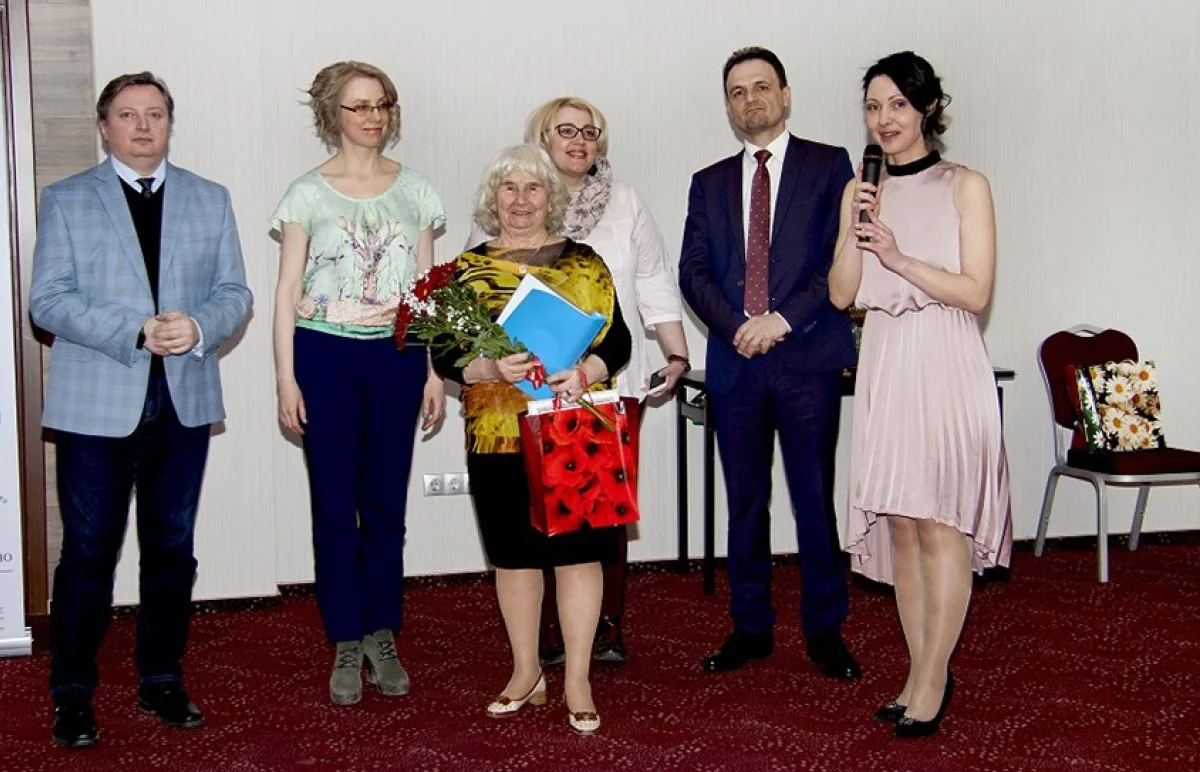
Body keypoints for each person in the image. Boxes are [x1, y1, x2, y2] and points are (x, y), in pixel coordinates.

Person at [29, 71, 253, 748]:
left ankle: (162, 678)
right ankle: (72, 693)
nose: (143, 126)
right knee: (88, 554)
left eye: (155, 114)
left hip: (183, 404)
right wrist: (135, 330)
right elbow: (48, 300)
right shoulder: (68, 199)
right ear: (105, 127)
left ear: (169, 123)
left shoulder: (209, 198)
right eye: (127, 115)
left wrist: (200, 325)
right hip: (95, 407)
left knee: (171, 552)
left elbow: (235, 293)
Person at [829, 51, 1012, 738]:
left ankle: (934, 677)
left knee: (941, 522)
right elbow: (842, 294)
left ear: (928, 108)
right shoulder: (860, 189)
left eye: (898, 105)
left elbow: (976, 291)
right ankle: (916, 671)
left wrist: (900, 257)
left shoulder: (966, 184)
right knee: (902, 523)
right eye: (874, 107)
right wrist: (857, 227)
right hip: (884, 355)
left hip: (945, 352)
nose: (884, 119)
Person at [468, 97, 689, 665]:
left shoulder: (625, 200)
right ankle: (544, 632)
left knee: (597, 509)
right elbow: (472, 305)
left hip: (603, 382)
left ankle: (604, 628)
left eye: (590, 132)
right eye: (566, 130)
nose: (579, 141)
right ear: (541, 137)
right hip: (519, 393)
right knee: (527, 512)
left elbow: (653, 278)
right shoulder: (505, 203)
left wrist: (676, 351)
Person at [434, 144, 631, 735]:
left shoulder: (586, 263)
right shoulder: (465, 271)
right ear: (492, 198)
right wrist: (490, 368)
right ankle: (526, 672)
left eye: (533, 187)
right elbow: (444, 355)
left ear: (552, 196)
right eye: (508, 188)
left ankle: (577, 679)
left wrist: (587, 371)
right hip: (497, 435)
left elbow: (617, 341)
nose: (520, 200)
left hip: (573, 430)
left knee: (577, 558)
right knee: (514, 558)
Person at [678, 47, 861, 680]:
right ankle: (750, 626)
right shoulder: (708, 182)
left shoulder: (829, 165)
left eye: (761, 86)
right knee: (745, 503)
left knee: (814, 500)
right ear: (728, 106)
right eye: (737, 91)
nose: (750, 99)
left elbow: (836, 259)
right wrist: (738, 327)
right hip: (737, 364)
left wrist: (779, 321)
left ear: (785, 94)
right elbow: (693, 272)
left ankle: (825, 630)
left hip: (807, 357)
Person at [270, 61, 446, 707]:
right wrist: (286, 378)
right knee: (333, 502)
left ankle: (381, 632)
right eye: (359, 106)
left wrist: (433, 370)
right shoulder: (306, 194)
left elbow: (426, 291)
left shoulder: (417, 189)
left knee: (385, 505)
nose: (373, 116)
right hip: (323, 356)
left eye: (382, 104)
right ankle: (345, 636)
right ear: (332, 114)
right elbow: (287, 291)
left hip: (397, 356)